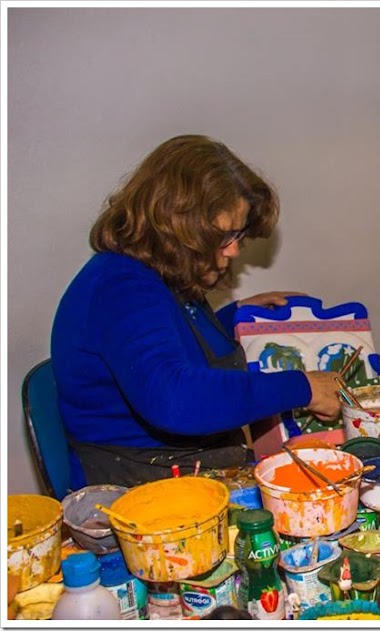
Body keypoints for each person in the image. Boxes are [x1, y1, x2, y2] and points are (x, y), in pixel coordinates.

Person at [51, 135, 341, 489]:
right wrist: (303, 387)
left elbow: (164, 347)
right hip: (134, 488)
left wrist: (232, 317)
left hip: (175, 467)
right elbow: (176, 398)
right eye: (223, 236)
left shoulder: (156, 275)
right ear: (176, 226)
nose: (234, 250)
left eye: (238, 235)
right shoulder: (122, 288)